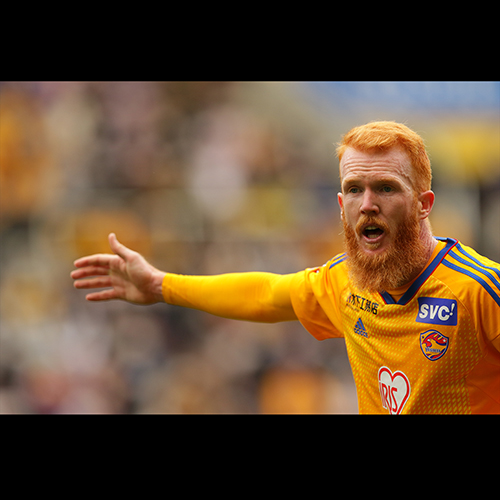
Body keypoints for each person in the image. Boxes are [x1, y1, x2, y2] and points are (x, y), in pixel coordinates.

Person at [71, 121, 500, 414]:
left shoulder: (479, 290)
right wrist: (162, 285)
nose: (367, 204)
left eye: (385, 188)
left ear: (424, 204)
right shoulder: (343, 282)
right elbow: (266, 295)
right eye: (354, 189)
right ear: (340, 204)